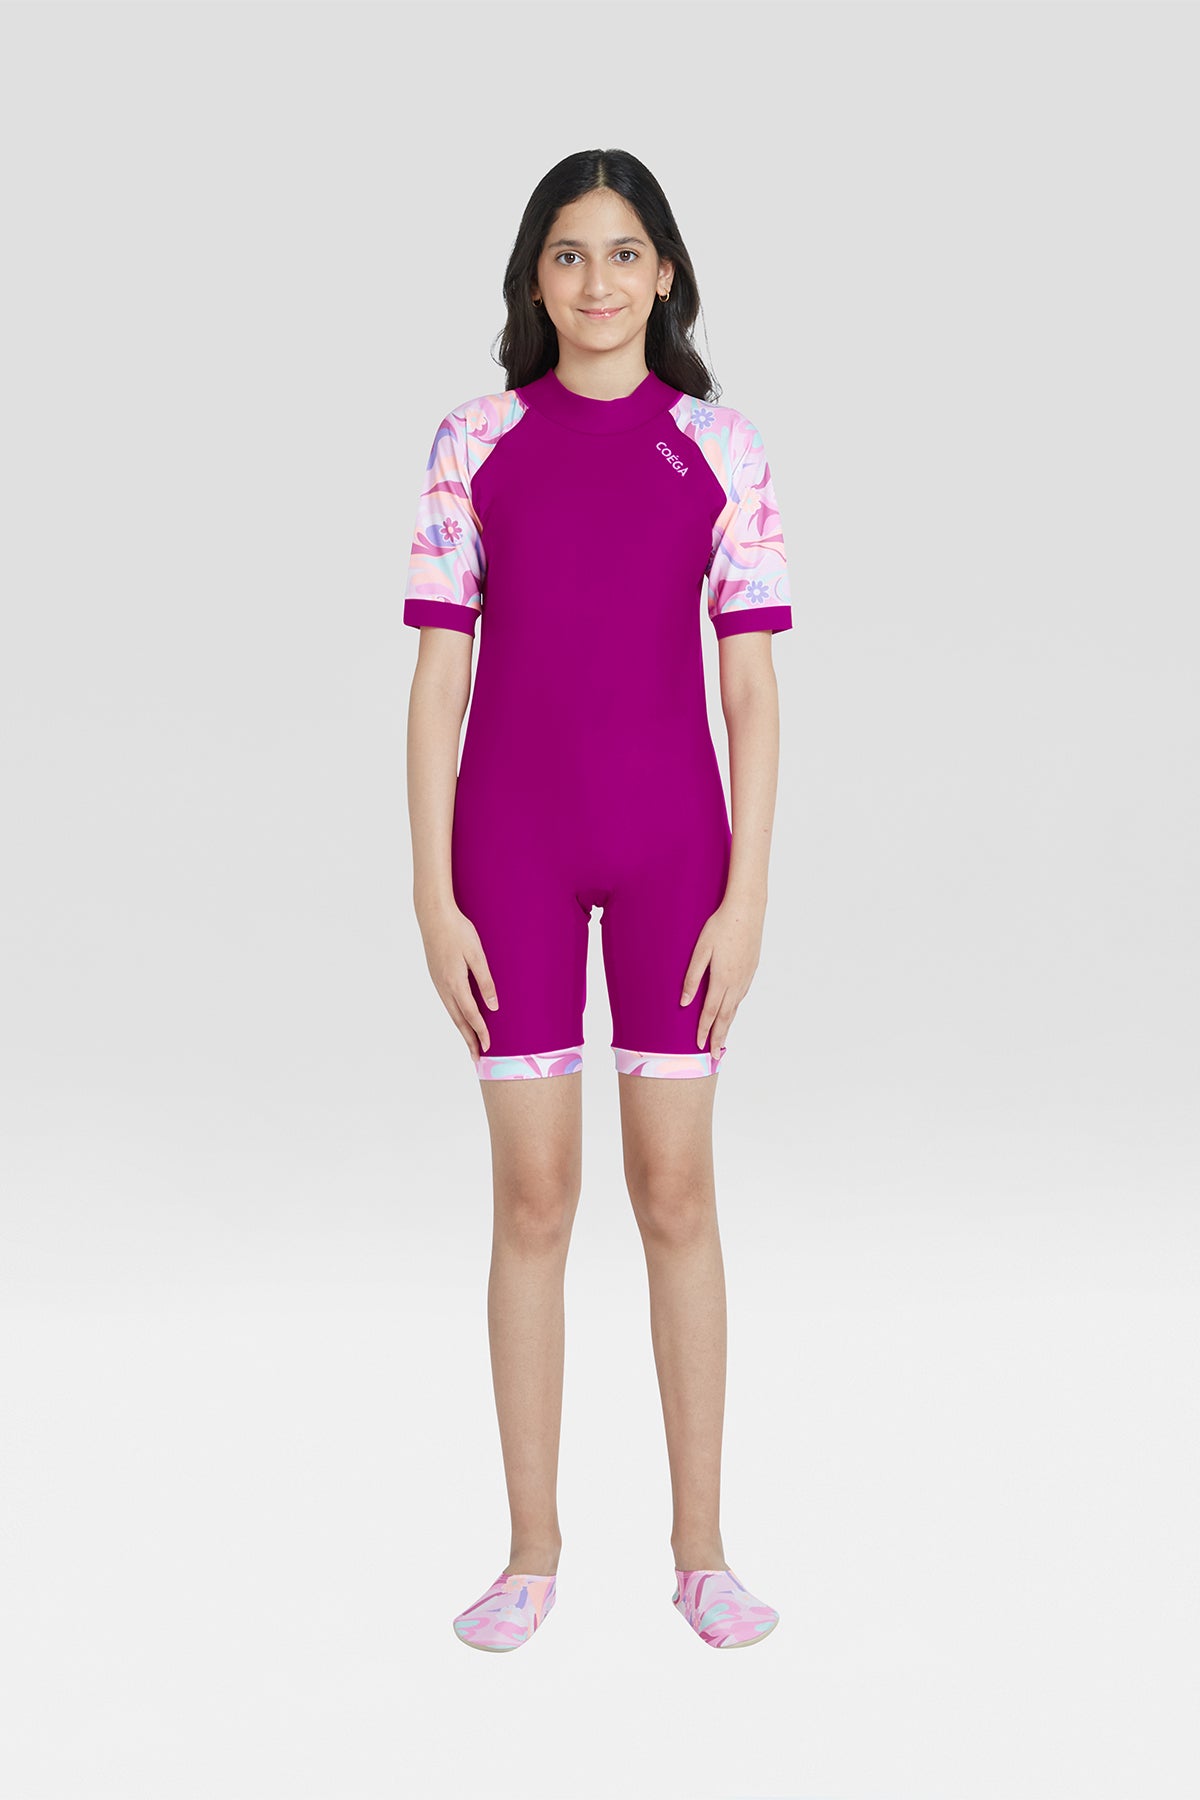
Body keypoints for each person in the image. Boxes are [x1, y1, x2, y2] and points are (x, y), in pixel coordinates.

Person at [404, 148, 791, 1653]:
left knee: (677, 1194)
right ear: (534, 280)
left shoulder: (722, 448)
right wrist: (433, 894)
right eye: (568, 254)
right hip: (507, 852)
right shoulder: (474, 441)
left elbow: (749, 691)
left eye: (625, 253)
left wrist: (747, 895)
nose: (598, 281)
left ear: (666, 274)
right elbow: (438, 682)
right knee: (534, 1197)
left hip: (676, 855)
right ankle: (529, 1554)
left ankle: (702, 1553)